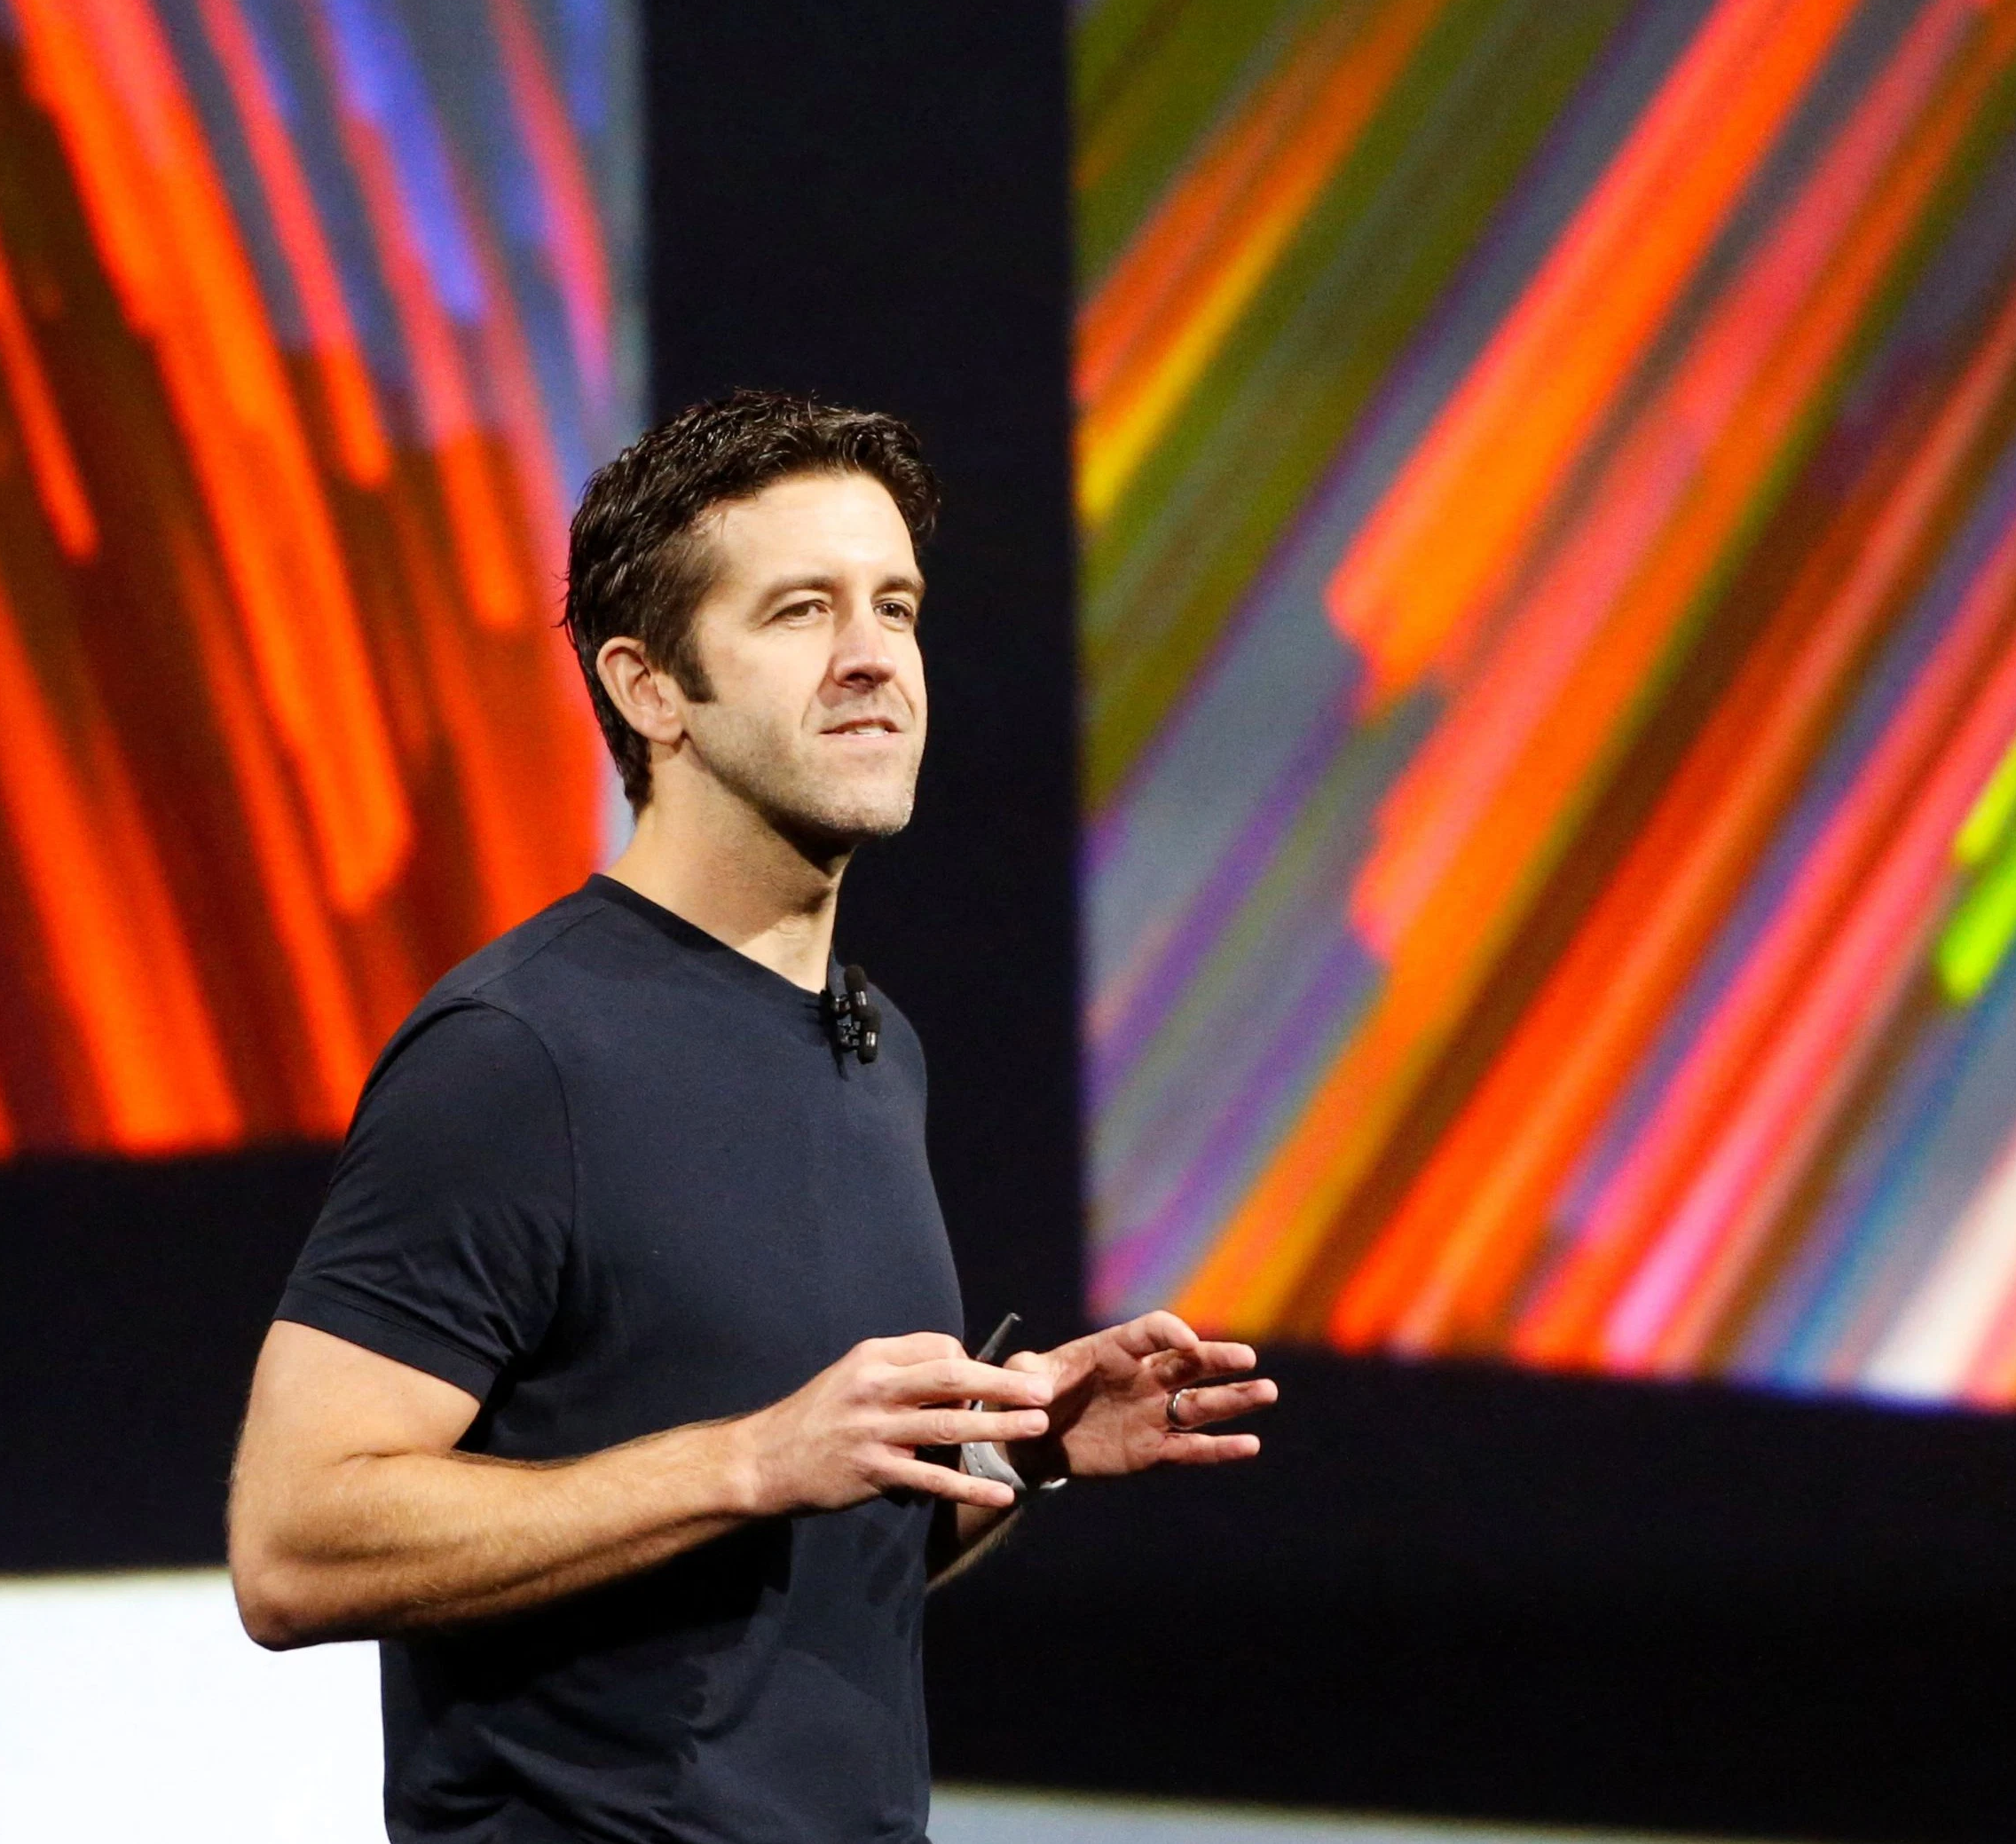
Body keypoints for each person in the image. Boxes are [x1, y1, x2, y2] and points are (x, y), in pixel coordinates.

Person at [225, 390, 1278, 1842]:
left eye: (895, 608)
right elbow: (291, 1541)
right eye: (799, 612)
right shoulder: (518, 1054)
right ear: (651, 687)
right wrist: (749, 1456)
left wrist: (1008, 1450)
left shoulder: (876, 1045)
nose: (873, 660)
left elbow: (796, 1561)